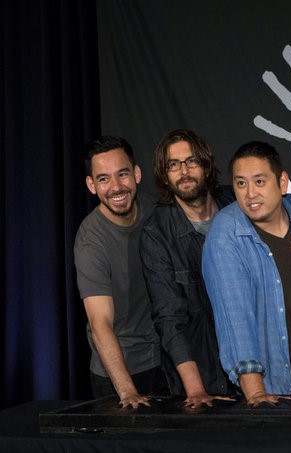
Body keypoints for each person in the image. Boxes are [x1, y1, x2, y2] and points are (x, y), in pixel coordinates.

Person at [202, 141, 291, 406]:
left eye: (260, 181)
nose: (250, 194)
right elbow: (235, 321)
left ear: (282, 181)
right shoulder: (225, 235)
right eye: (240, 184)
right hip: (272, 385)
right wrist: (257, 396)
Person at [140, 129, 235, 408]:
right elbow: (169, 319)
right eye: (173, 164)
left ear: (206, 165)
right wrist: (195, 390)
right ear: (164, 175)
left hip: (252, 369)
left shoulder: (235, 206)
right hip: (198, 376)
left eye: (191, 161)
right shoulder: (156, 233)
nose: (184, 171)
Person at [74, 135, 167, 408]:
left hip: (166, 362)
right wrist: (126, 391)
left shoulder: (156, 211)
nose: (116, 187)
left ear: (136, 174)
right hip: (119, 374)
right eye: (103, 179)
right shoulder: (91, 240)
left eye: (122, 174)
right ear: (91, 185)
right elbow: (99, 322)